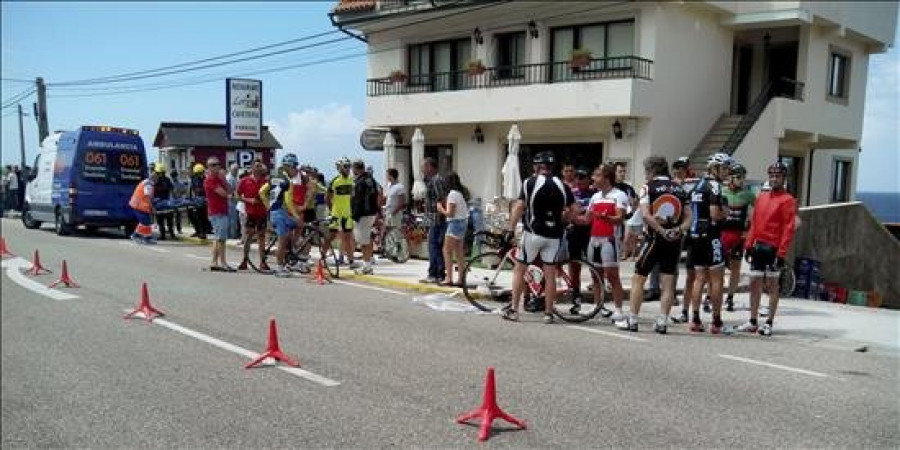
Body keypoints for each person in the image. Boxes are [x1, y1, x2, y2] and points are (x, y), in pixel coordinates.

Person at [617, 156, 691, 333]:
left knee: (639, 278)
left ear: (651, 171)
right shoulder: (679, 188)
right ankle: (663, 321)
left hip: (654, 239)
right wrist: (678, 230)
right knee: (667, 281)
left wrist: (660, 230)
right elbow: (689, 216)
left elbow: (645, 215)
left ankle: (633, 320)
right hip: (674, 240)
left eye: (646, 172)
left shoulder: (647, 187)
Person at [503, 151, 577, 324]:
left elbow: (520, 206)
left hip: (533, 233)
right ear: (551, 167)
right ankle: (548, 313)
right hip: (554, 235)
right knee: (550, 274)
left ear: (537, 166)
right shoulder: (562, 184)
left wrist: (510, 228)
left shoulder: (529, 182)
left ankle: (514, 309)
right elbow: (575, 209)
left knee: (520, 269)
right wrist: (564, 220)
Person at [738, 162, 797, 336]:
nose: (774, 179)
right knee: (754, 283)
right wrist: (748, 245)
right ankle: (753, 320)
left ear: (783, 178)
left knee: (772, 286)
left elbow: (788, 228)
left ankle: (769, 322)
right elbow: (754, 222)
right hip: (758, 246)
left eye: (778, 176)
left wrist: (782, 253)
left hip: (773, 248)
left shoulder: (788, 200)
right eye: (771, 175)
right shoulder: (762, 197)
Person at [686, 153, 733, 334]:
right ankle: (716, 321)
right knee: (716, 279)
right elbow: (715, 213)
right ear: (715, 168)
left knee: (699, 278)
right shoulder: (714, 186)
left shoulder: (697, 184)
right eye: (725, 168)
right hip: (711, 235)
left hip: (695, 235)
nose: (727, 172)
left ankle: (695, 319)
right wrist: (726, 212)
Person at [586, 163, 629, 319]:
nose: (593, 178)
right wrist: (570, 217)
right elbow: (586, 219)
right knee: (595, 275)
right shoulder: (595, 196)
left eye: (597, 175)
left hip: (609, 240)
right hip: (594, 239)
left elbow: (620, 219)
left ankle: (618, 310)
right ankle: (598, 306)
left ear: (606, 178)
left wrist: (606, 217)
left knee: (612, 275)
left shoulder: (619, 195)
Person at [260, 154, 304, 277]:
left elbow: (261, 192)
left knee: (296, 227)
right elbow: (289, 202)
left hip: (276, 212)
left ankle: (291, 258)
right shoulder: (287, 181)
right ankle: (279, 267)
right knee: (282, 241)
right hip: (280, 214)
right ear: (288, 166)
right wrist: (296, 215)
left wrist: (268, 206)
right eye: (294, 166)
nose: (296, 169)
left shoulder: (274, 177)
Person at [721, 163, 756, 311]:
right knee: (718, 268)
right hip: (722, 234)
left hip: (739, 235)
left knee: (735, 268)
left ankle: (730, 297)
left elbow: (758, 213)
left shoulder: (748, 194)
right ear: (730, 178)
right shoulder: (722, 191)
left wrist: (750, 231)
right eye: (739, 177)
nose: (742, 181)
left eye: (743, 177)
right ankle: (711, 296)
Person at [566, 167, 596, 305]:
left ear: (589, 179)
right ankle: (575, 292)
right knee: (574, 264)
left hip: (591, 231)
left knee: (593, 263)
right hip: (575, 231)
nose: (580, 180)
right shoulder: (571, 193)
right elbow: (566, 210)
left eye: (583, 177)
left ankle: (597, 292)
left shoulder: (595, 193)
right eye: (577, 177)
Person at [236, 160, 270, 271]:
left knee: (261, 237)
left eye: (260, 166)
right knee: (248, 237)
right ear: (252, 168)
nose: (258, 168)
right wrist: (248, 200)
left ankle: (262, 262)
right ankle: (244, 260)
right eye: (256, 166)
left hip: (262, 213)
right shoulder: (245, 181)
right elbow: (237, 195)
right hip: (250, 213)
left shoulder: (265, 182)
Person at [420, 157, 448, 284]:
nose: (422, 169)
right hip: (432, 217)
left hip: (436, 218)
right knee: (434, 245)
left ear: (430, 167)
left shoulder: (437, 180)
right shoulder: (432, 180)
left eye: (424, 166)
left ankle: (436, 273)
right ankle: (436, 272)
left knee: (434, 245)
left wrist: (442, 216)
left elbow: (442, 199)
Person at [437, 172, 469, 286]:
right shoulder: (460, 194)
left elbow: (450, 213)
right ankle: (461, 278)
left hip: (455, 224)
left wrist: (441, 209)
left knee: (446, 250)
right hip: (463, 223)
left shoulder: (452, 195)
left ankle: (449, 278)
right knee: (459, 252)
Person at [203, 158, 234, 272]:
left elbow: (230, 190)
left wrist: (225, 180)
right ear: (209, 167)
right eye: (213, 165)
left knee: (218, 238)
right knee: (221, 239)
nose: (217, 167)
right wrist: (229, 194)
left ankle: (214, 262)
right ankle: (223, 263)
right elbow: (223, 193)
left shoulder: (219, 179)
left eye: (218, 164)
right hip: (217, 212)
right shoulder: (210, 180)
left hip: (222, 211)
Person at [351, 159, 381, 274]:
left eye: (353, 168)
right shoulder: (371, 180)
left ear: (356, 168)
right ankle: (367, 264)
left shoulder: (360, 182)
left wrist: (355, 215)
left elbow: (357, 200)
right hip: (371, 213)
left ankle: (367, 266)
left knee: (363, 242)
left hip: (362, 214)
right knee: (367, 239)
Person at [328, 157, 357, 267]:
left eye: (349, 167)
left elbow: (353, 196)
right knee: (331, 236)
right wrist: (332, 210)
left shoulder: (351, 181)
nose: (348, 169)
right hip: (336, 212)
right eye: (345, 167)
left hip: (347, 213)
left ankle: (350, 261)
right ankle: (323, 257)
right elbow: (328, 198)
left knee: (348, 238)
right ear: (339, 168)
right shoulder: (335, 181)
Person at [613, 162, 639, 260]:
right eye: (620, 171)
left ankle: (627, 253)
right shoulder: (609, 187)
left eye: (624, 171)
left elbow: (634, 202)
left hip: (626, 219)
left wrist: (633, 208)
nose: (623, 174)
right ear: (614, 173)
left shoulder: (628, 188)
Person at [128, 168, 159, 244]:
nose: (157, 181)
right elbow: (147, 197)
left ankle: (142, 236)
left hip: (139, 205)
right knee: (145, 222)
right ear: (154, 178)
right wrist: (153, 208)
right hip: (139, 206)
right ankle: (141, 237)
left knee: (145, 222)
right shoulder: (148, 184)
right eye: (157, 179)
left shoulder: (146, 182)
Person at [151, 164, 176, 240]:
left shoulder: (160, 180)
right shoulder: (163, 180)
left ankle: (168, 235)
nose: (159, 174)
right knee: (163, 221)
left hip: (163, 203)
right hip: (163, 203)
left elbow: (171, 190)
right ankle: (166, 235)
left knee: (166, 221)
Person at [188, 163, 211, 239]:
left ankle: (203, 232)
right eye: (198, 173)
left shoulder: (205, 179)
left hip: (203, 200)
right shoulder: (194, 179)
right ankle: (199, 231)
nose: (200, 174)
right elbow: (193, 190)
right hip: (196, 200)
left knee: (202, 217)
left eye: (201, 173)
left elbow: (205, 190)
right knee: (195, 216)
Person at [383, 167, 407, 236]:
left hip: (395, 213)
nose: (386, 177)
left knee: (395, 233)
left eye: (387, 175)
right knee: (388, 233)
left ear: (391, 176)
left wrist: (394, 212)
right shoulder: (389, 186)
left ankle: (397, 246)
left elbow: (402, 201)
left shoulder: (400, 187)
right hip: (388, 212)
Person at [226, 163, 241, 240]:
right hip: (231, 201)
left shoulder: (235, 177)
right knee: (232, 219)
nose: (236, 171)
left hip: (234, 201)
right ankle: (232, 235)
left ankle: (232, 234)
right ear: (231, 170)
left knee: (233, 219)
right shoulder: (229, 178)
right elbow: (230, 191)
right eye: (235, 170)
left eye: (237, 170)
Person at [170, 169, 188, 235]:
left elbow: (184, 192)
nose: (174, 177)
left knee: (178, 216)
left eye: (174, 175)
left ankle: (179, 229)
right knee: (170, 216)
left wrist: (182, 198)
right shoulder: (169, 183)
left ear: (176, 176)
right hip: (171, 202)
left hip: (178, 202)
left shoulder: (180, 184)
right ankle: (171, 230)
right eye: (172, 175)